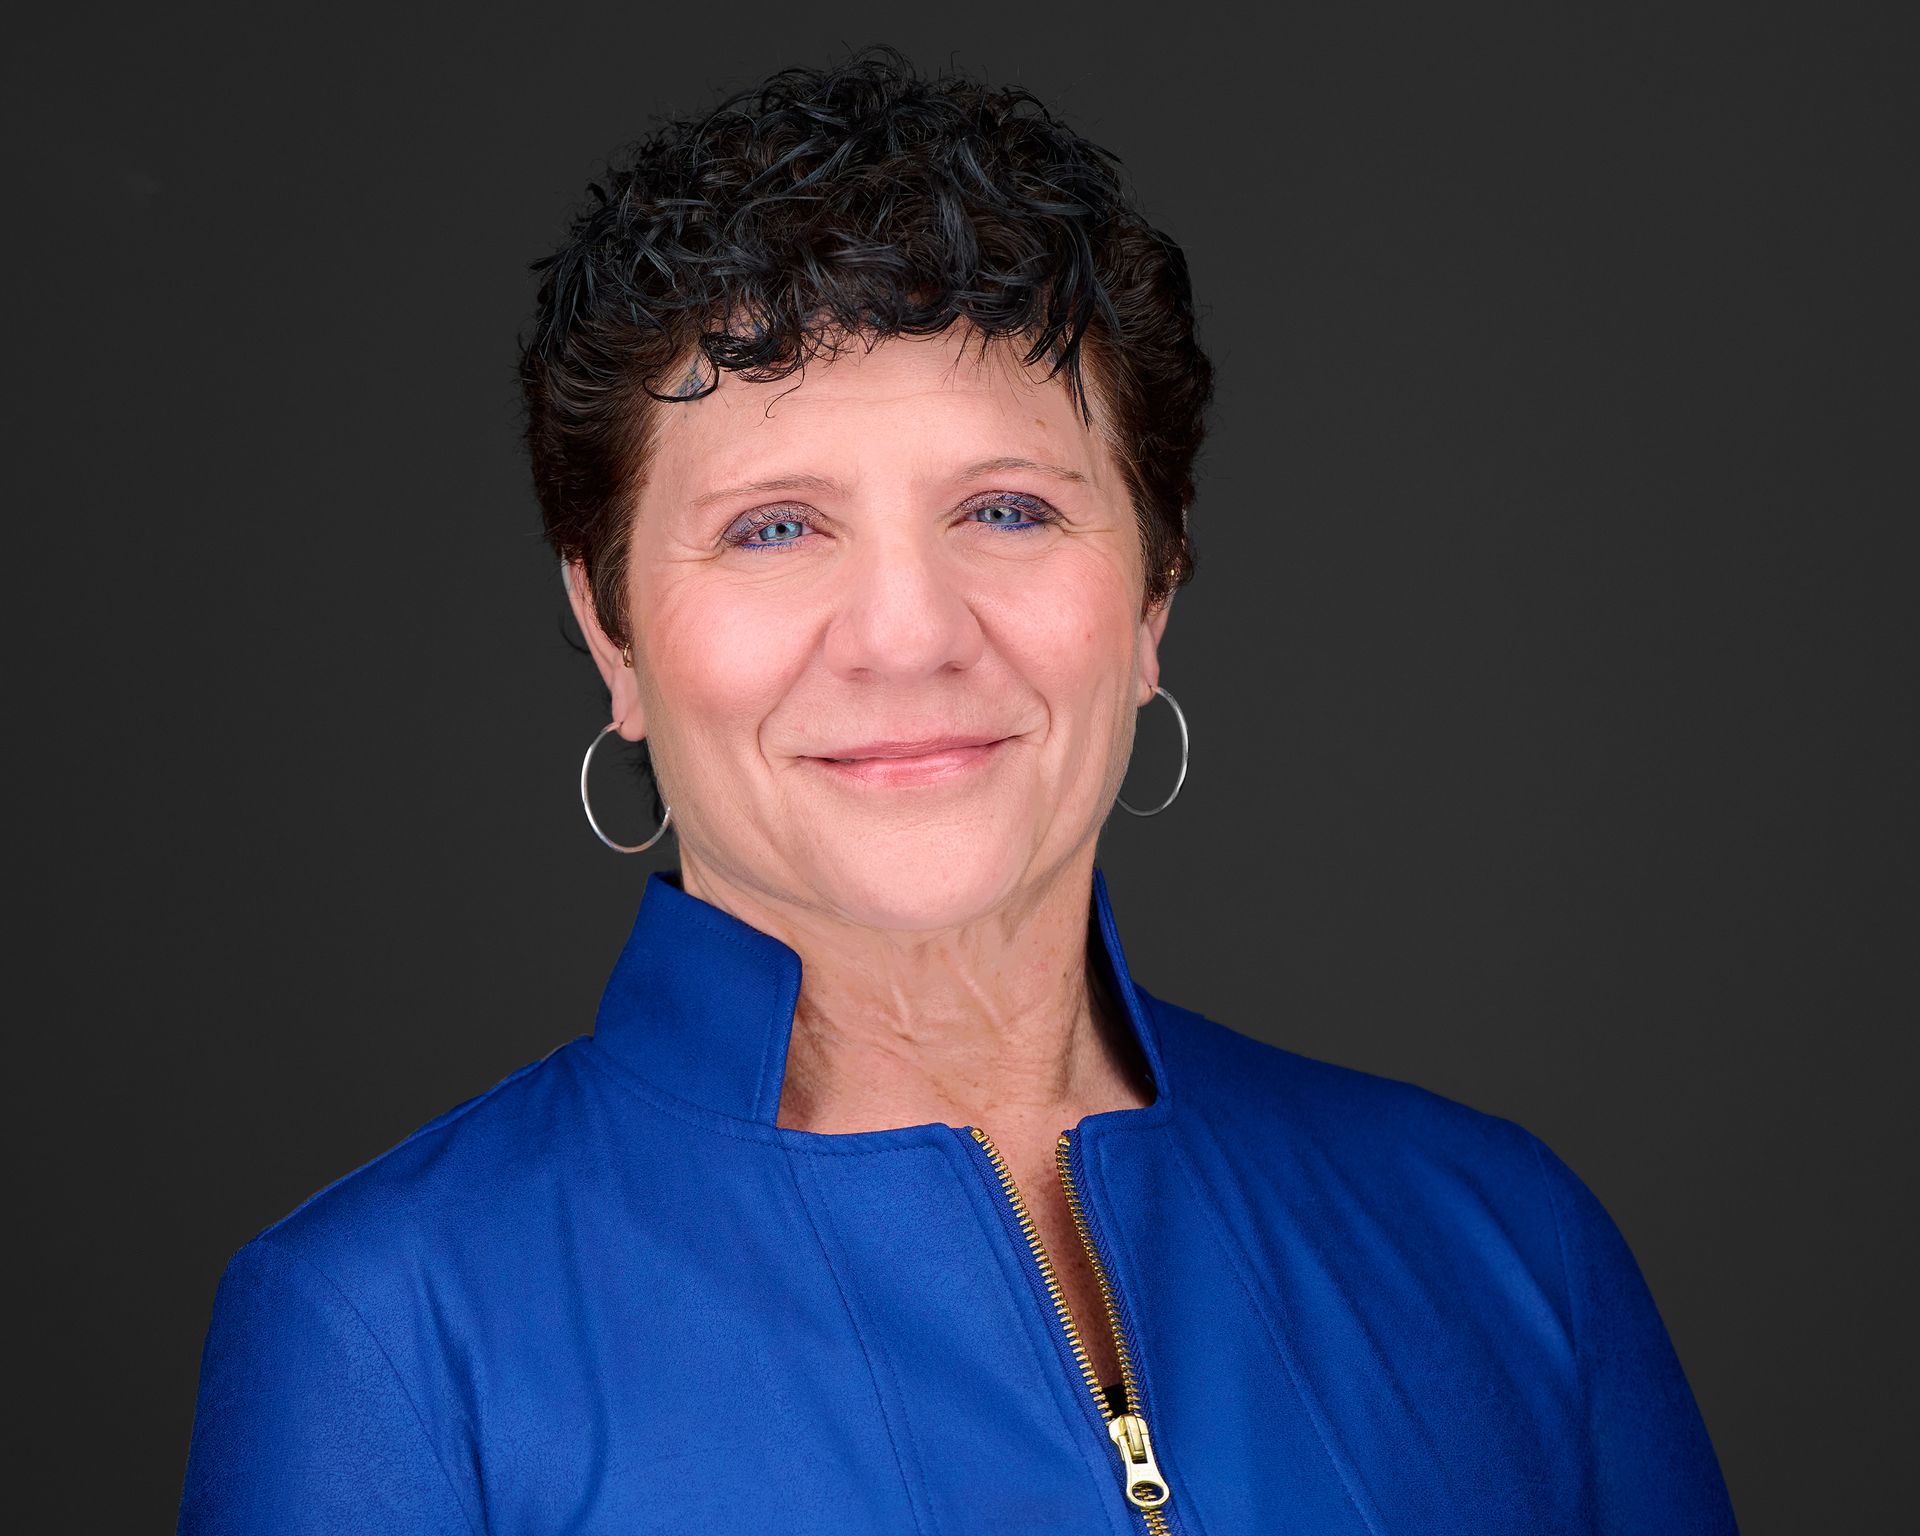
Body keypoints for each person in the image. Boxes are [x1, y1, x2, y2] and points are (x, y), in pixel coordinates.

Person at [175, 46, 1738, 1534]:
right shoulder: (388, 1333)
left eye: (1006, 509)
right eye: (775, 528)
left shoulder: (1504, 1246)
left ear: (1154, 594)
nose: (909, 634)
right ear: (612, 631)